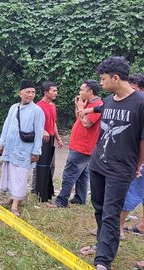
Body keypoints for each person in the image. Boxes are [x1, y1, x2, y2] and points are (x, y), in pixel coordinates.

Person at [78, 57, 144, 270]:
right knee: (99, 208)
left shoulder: (143, 104)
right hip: (99, 164)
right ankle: (103, 243)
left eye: (103, 79)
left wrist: (138, 165)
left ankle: (103, 261)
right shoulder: (108, 101)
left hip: (121, 168)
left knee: (111, 212)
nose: (100, 83)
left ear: (115, 77)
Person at [51, 80, 103, 208]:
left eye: (82, 90)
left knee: (70, 172)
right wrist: (78, 106)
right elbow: (79, 118)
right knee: (83, 173)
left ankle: (61, 201)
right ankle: (80, 198)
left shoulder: (97, 105)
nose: (79, 92)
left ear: (90, 91)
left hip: (83, 145)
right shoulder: (88, 103)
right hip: (80, 143)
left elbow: (86, 123)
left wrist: (81, 108)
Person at [0, 81, 45, 217]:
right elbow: (7, 125)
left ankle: (15, 205)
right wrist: (2, 142)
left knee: (20, 175)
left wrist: (36, 151)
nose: (30, 95)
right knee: (9, 173)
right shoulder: (13, 108)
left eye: (33, 92)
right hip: (11, 146)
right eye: (27, 92)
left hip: (24, 149)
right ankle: (12, 197)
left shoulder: (37, 111)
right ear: (20, 93)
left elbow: (39, 132)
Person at [33, 81, 63, 202]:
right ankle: (36, 188)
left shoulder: (52, 105)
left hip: (50, 138)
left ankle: (47, 188)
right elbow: (34, 124)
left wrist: (58, 138)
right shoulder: (38, 106)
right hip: (40, 138)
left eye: (56, 90)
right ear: (46, 92)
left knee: (51, 164)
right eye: (53, 91)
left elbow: (53, 122)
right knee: (39, 164)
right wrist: (42, 131)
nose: (56, 93)